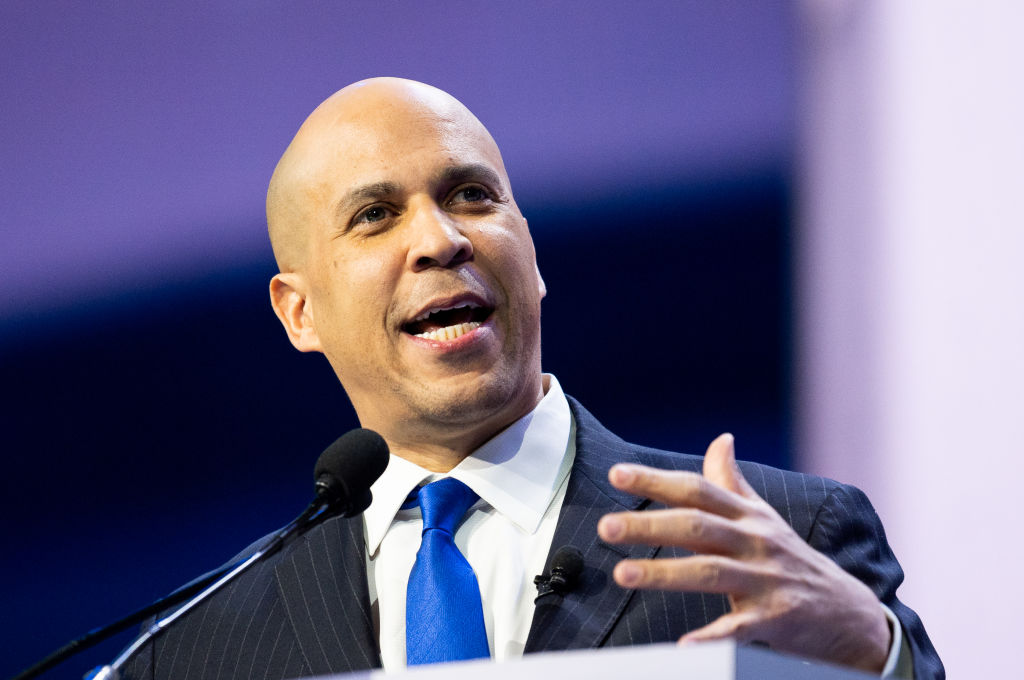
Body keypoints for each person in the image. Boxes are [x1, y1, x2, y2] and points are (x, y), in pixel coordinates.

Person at [121, 78, 942, 679]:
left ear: (533, 257)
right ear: (299, 313)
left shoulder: (777, 538)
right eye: (375, 216)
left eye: (471, 195)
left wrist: (876, 651)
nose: (440, 239)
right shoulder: (196, 644)